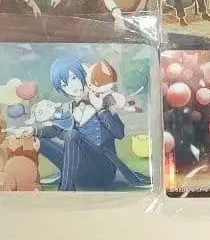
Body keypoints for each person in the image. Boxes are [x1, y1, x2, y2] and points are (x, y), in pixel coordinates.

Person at [34, 56, 149, 191]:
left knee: (72, 135)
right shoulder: (68, 108)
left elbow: (120, 134)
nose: (71, 87)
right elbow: (57, 130)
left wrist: (101, 110)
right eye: (64, 85)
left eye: (73, 78)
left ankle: (66, 189)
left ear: (82, 74)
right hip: (79, 170)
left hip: (103, 171)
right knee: (39, 138)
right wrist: (34, 131)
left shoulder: (104, 102)